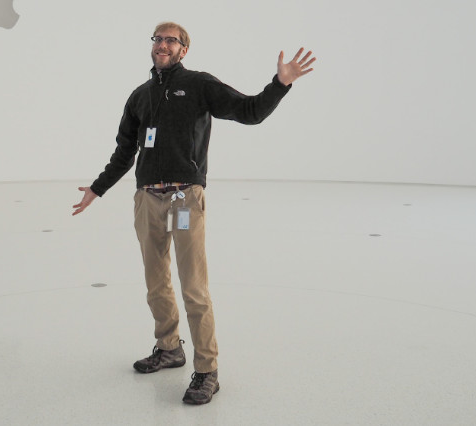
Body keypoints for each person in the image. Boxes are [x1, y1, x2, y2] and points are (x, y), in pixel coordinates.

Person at [72, 22, 315, 405]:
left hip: (185, 199)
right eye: (158, 39)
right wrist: (97, 189)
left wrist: (280, 84)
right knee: (156, 283)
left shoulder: (200, 85)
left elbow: (250, 112)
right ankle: (169, 348)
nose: (163, 44)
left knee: (194, 288)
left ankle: (207, 370)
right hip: (148, 199)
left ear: (184, 49)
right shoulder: (139, 96)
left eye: (172, 40)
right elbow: (124, 152)